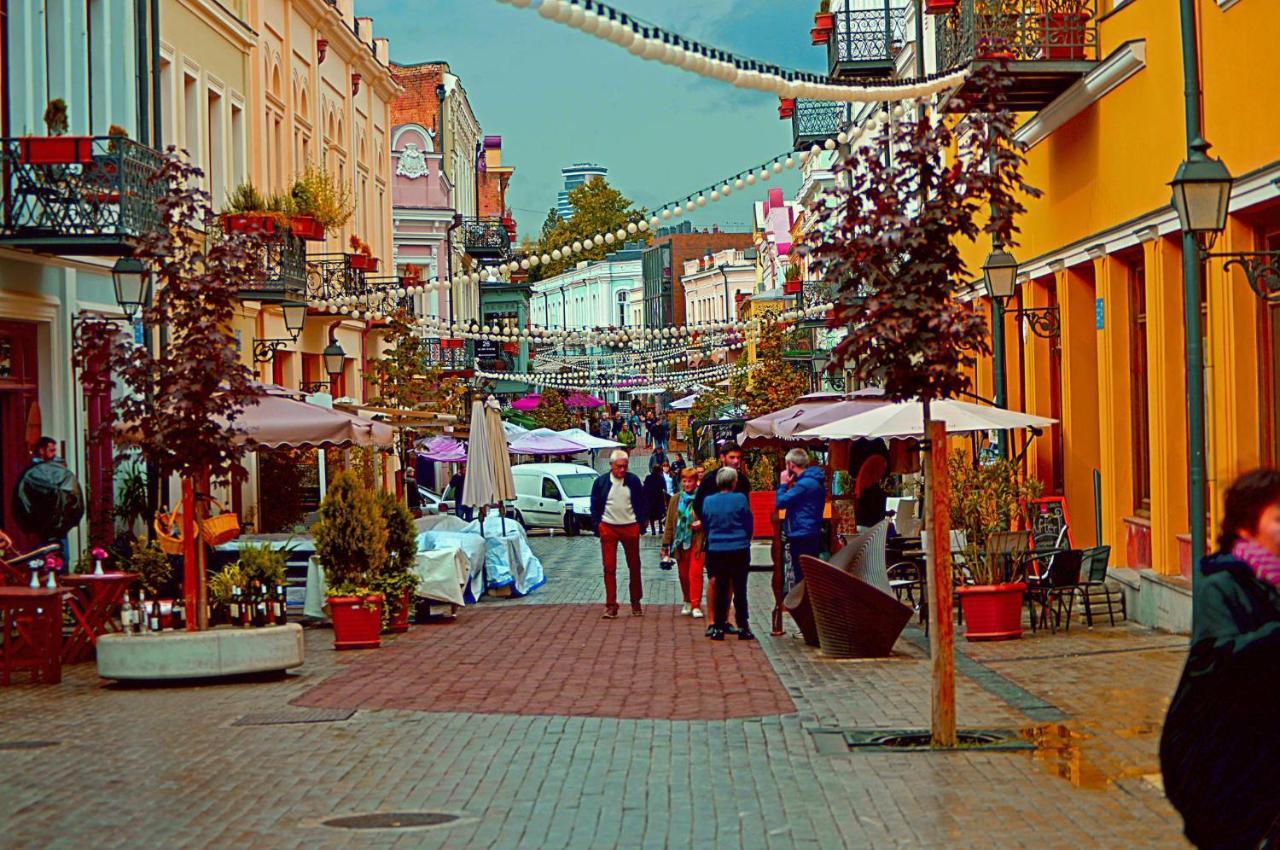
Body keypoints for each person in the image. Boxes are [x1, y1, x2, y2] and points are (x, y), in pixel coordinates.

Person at [1160, 469, 1280, 849]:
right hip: (1224, 770)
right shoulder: (1222, 586)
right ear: (1246, 527)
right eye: (1278, 518)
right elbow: (1220, 662)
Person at [694, 442, 750, 636]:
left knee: (731, 583)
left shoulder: (742, 481)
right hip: (716, 539)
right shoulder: (710, 480)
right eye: (732, 457)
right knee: (715, 580)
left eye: (738, 458)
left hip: (731, 541)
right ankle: (712, 621)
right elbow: (699, 506)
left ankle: (724, 621)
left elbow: (746, 513)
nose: (735, 461)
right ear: (723, 457)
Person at [589, 449, 647, 619]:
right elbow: (595, 504)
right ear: (611, 466)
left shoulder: (634, 481)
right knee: (609, 567)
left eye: (625, 467)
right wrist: (598, 526)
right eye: (619, 467)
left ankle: (636, 601)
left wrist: (640, 525)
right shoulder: (601, 483)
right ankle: (611, 605)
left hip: (630, 526)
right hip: (608, 527)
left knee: (634, 565)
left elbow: (642, 503)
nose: (622, 470)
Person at [776, 448, 826, 589]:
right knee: (808, 573)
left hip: (801, 533)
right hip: (811, 531)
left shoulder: (804, 485)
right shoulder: (813, 481)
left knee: (802, 575)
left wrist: (783, 485)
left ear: (791, 465)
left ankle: (804, 607)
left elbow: (780, 502)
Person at [661, 468, 704, 619]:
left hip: (697, 540)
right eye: (684, 481)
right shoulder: (676, 499)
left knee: (695, 573)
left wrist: (702, 523)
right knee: (683, 574)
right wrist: (665, 544)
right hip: (679, 542)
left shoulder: (701, 498)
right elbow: (669, 524)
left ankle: (696, 604)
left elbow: (709, 517)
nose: (687, 484)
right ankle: (687, 600)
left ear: (695, 481)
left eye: (690, 481)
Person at [853, 454, 889, 529]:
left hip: (867, 528)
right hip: (871, 531)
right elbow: (873, 514)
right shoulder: (872, 489)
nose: (883, 472)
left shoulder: (864, 487)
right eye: (883, 468)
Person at [642, 461, 668, 535]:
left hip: (650, 500)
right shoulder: (661, 478)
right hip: (659, 499)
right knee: (660, 515)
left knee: (651, 516)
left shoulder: (648, 478)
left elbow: (644, 489)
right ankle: (660, 529)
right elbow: (665, 488)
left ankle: (653, 530)